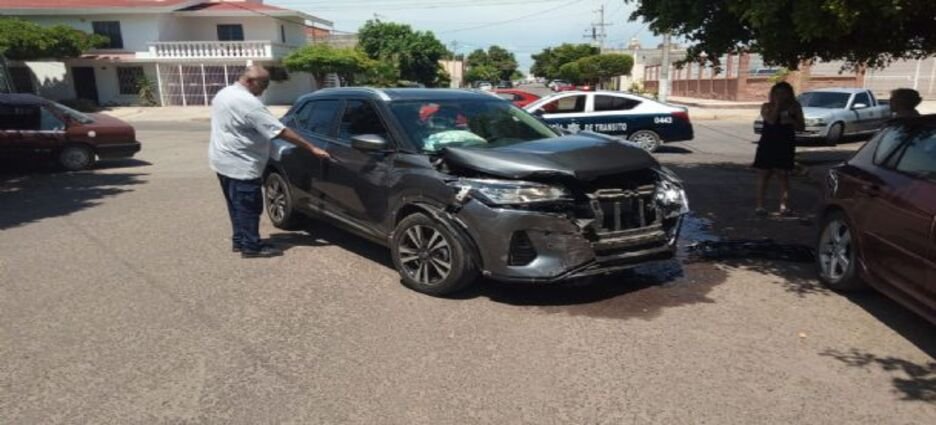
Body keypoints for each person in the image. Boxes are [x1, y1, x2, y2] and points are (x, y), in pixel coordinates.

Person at [209, 65, 330, 258]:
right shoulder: (248, 103)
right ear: (250, 81)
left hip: (223, 160)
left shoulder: (225, 93)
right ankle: (251, 247)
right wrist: (311, 147)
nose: (266, 87)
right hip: (241, 164)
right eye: (263, 83)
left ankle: (240, 240)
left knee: (236, 205)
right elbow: (280, 131)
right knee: (249, 207)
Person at [753, 82, 805, 216]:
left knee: (783, 175)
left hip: (785, 144)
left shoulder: (795, 107)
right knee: (764, 175)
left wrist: (791, 120)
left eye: (783, 93)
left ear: (789, 94)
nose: (780, 96)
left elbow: (801, 127)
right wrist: (777, 106)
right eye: (777, 93)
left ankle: (784, 206)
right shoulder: (767, 106)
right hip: (768, 143)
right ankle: (760, 206)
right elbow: (770, 121)